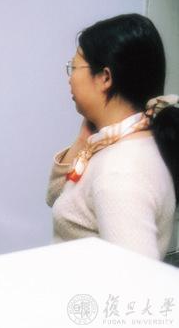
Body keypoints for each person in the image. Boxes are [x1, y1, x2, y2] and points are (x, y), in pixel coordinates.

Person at [47, 13, 179, 259]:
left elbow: (136, 276)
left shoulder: (121, 171)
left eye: (74, 67)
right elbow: (55, 196)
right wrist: (82, 140)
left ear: (105, 77)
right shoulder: (114, 141)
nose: (70, 78)